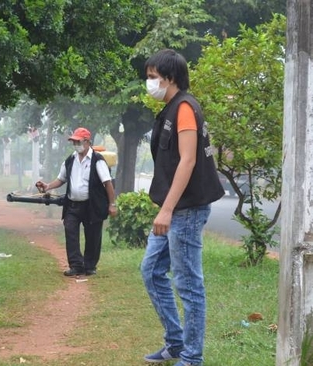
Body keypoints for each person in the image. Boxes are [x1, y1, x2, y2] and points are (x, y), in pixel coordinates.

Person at [140, 49, 225, 366]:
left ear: (170, 77)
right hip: (173, 208)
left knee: (188, 284)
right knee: (150, 270)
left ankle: (192, 356)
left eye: (152, 77)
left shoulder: (185, 108)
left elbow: (188, 161)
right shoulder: (170, 109)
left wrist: (167, 209)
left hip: (186, 211)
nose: (149, 83)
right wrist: (164, 207)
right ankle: (176, 343)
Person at [35, 127, 117, 277]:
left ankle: (90, 266)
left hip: (91, 205)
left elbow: (108, 183)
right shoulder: (70, 160)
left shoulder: (97, 160)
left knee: (93, 236)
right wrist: (47, 187)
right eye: (74, 142)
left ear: (87, 142)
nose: (76, 144)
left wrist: (112, 204)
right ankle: (76, 265)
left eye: (78, 141)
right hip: (73, 204)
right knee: (70, 231)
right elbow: (61, 179)